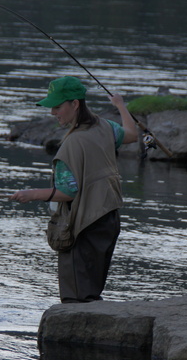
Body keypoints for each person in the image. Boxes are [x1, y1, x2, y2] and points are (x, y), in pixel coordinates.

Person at [10, 76, 138, 303]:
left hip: (84, 225)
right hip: (109, 218)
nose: (52, 113)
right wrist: (120, 105)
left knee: (76, 298)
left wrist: (31, 195)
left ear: (75, 104)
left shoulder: (72, 143)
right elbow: (132, 134)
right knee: (91, 292)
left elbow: (68, 193)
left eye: (57, 107)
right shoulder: (105, 126)